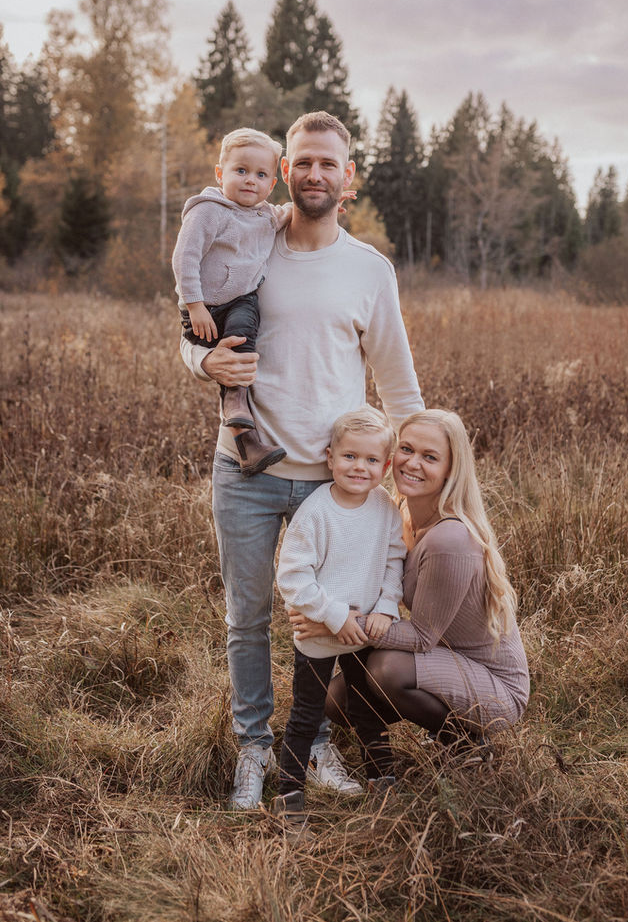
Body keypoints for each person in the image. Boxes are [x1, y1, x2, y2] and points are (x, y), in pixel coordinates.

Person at [180, 111, 423, 810]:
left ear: (348, 178)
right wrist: (203, 359)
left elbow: (398, 386)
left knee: (322, 618)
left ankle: (311, 740)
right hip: (245, 471)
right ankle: (254, 748)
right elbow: (193, 332)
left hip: (332, 483)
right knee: (247, 615)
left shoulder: (368, 271)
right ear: (284, 169)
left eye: (328, 163)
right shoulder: (247, 235)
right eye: (302, 161)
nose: (314, 173)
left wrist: (417, 489)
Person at [291, 409, 530, 771]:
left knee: (387, 670)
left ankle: (465, 742)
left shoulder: (450, 539)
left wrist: (336, 625)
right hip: (444, 657)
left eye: (430, 457)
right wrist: (330, 610)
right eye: (406, 449)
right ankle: (438, 729)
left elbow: (421, 636)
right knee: (336, 700)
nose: (413, 463)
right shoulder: (399, 514)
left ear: (450, 469)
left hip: (495, 686)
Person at [272, 406, 405, 840]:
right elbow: (292, 577)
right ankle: (288, 798)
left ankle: (383, 780)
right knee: (306, 715)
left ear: (385, 466)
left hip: (367, 630)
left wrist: (385, 607)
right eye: (349, 457)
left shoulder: (385, 506)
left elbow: (393, 559)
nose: (359, 468)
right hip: (321, 635)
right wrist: (334, 616)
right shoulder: (315, 512)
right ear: (329, 457)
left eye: (370, 460)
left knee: (366, 705)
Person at [172, 127, 289, 473]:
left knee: (243, 334)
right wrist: (194, 305)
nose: (250, 180)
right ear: (220, 174)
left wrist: (332, 203)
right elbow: (184, 257)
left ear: (271, 185)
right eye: (241, 171)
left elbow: (290, 213)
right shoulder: (209, 211)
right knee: (233, 346)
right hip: (204, 308)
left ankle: (238, 412)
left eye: (260, 174)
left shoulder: (266, 215)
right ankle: (238, 414)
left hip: (239, 302)